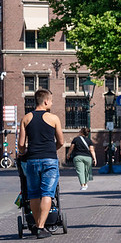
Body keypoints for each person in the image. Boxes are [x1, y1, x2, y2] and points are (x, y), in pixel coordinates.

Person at [18, 89, 64, 239]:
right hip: (49, 159)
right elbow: (61, 142)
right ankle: (40, 227)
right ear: (45, 101)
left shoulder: (25, 118)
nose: (51, 103)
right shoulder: (54, 118)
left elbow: (21, 145)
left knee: (33, 194)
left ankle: (37, 225)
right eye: (51, 101)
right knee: (47, 193)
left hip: (32, 161)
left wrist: (25, 152)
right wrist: (51, 149)